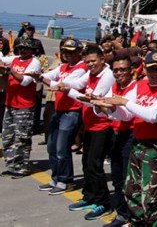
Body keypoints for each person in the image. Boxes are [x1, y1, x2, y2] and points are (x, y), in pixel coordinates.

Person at [94, 49, 157, 227]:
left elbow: (153, 116)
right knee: (131, 190)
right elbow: (125, 115)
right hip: (138, 143)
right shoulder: (141, 85)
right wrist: (105, 106)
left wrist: (123, 102)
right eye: (151, 69)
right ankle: (138, 222)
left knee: (151, 195)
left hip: (155, 147)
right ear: (145, 68)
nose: (155, 74)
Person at [60, 44, 115, 220]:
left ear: (102, 59)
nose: (90, 65)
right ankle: (89, 196)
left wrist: (70, 93)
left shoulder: (107, 75)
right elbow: (78, 83)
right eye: (87, 62)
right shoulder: (91, 73)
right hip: (90, 125)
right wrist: (62, 83)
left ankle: (104, 203)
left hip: (102, 126)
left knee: (95, 165)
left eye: (93, 61)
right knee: (86, 162)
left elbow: (93, 100)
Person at [39, 38, 87, 195]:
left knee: (62, 148)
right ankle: (56, 177)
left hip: (71, 111)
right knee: (51, 146)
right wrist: (41, 76)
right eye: (66, 52)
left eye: (72, 52)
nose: (69, 55)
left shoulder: (81, 68)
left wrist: (41, 78)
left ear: (79, 53)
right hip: (59, 110)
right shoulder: (63, 66)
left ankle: (65, 180)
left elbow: (62, 85)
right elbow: (49, 76)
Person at [0, 37, 42, 177]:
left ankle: (21, 167)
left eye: (26, 48)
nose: (22, 50)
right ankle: (12, 165)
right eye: (20, 48)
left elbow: (25, 81)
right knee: (8, 137)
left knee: (22, 138)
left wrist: (10, 70)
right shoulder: (15, 59)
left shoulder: (34, 62)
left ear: (32, 50)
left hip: (24, 106)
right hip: (10, 104)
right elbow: (3, 59)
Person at [105, 53, 137, 227]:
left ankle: (132, 216)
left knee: (127, 179)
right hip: (116, 134)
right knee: (116, 177)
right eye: (116, 70)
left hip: (131, 135)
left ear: (131, 70)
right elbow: (103, 105)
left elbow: (126, 115)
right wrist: (101, 105)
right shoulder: (114, 87)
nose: (119, 73)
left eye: (123, 69)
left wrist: (107, 106)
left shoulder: (135, 88)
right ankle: (122, 214)